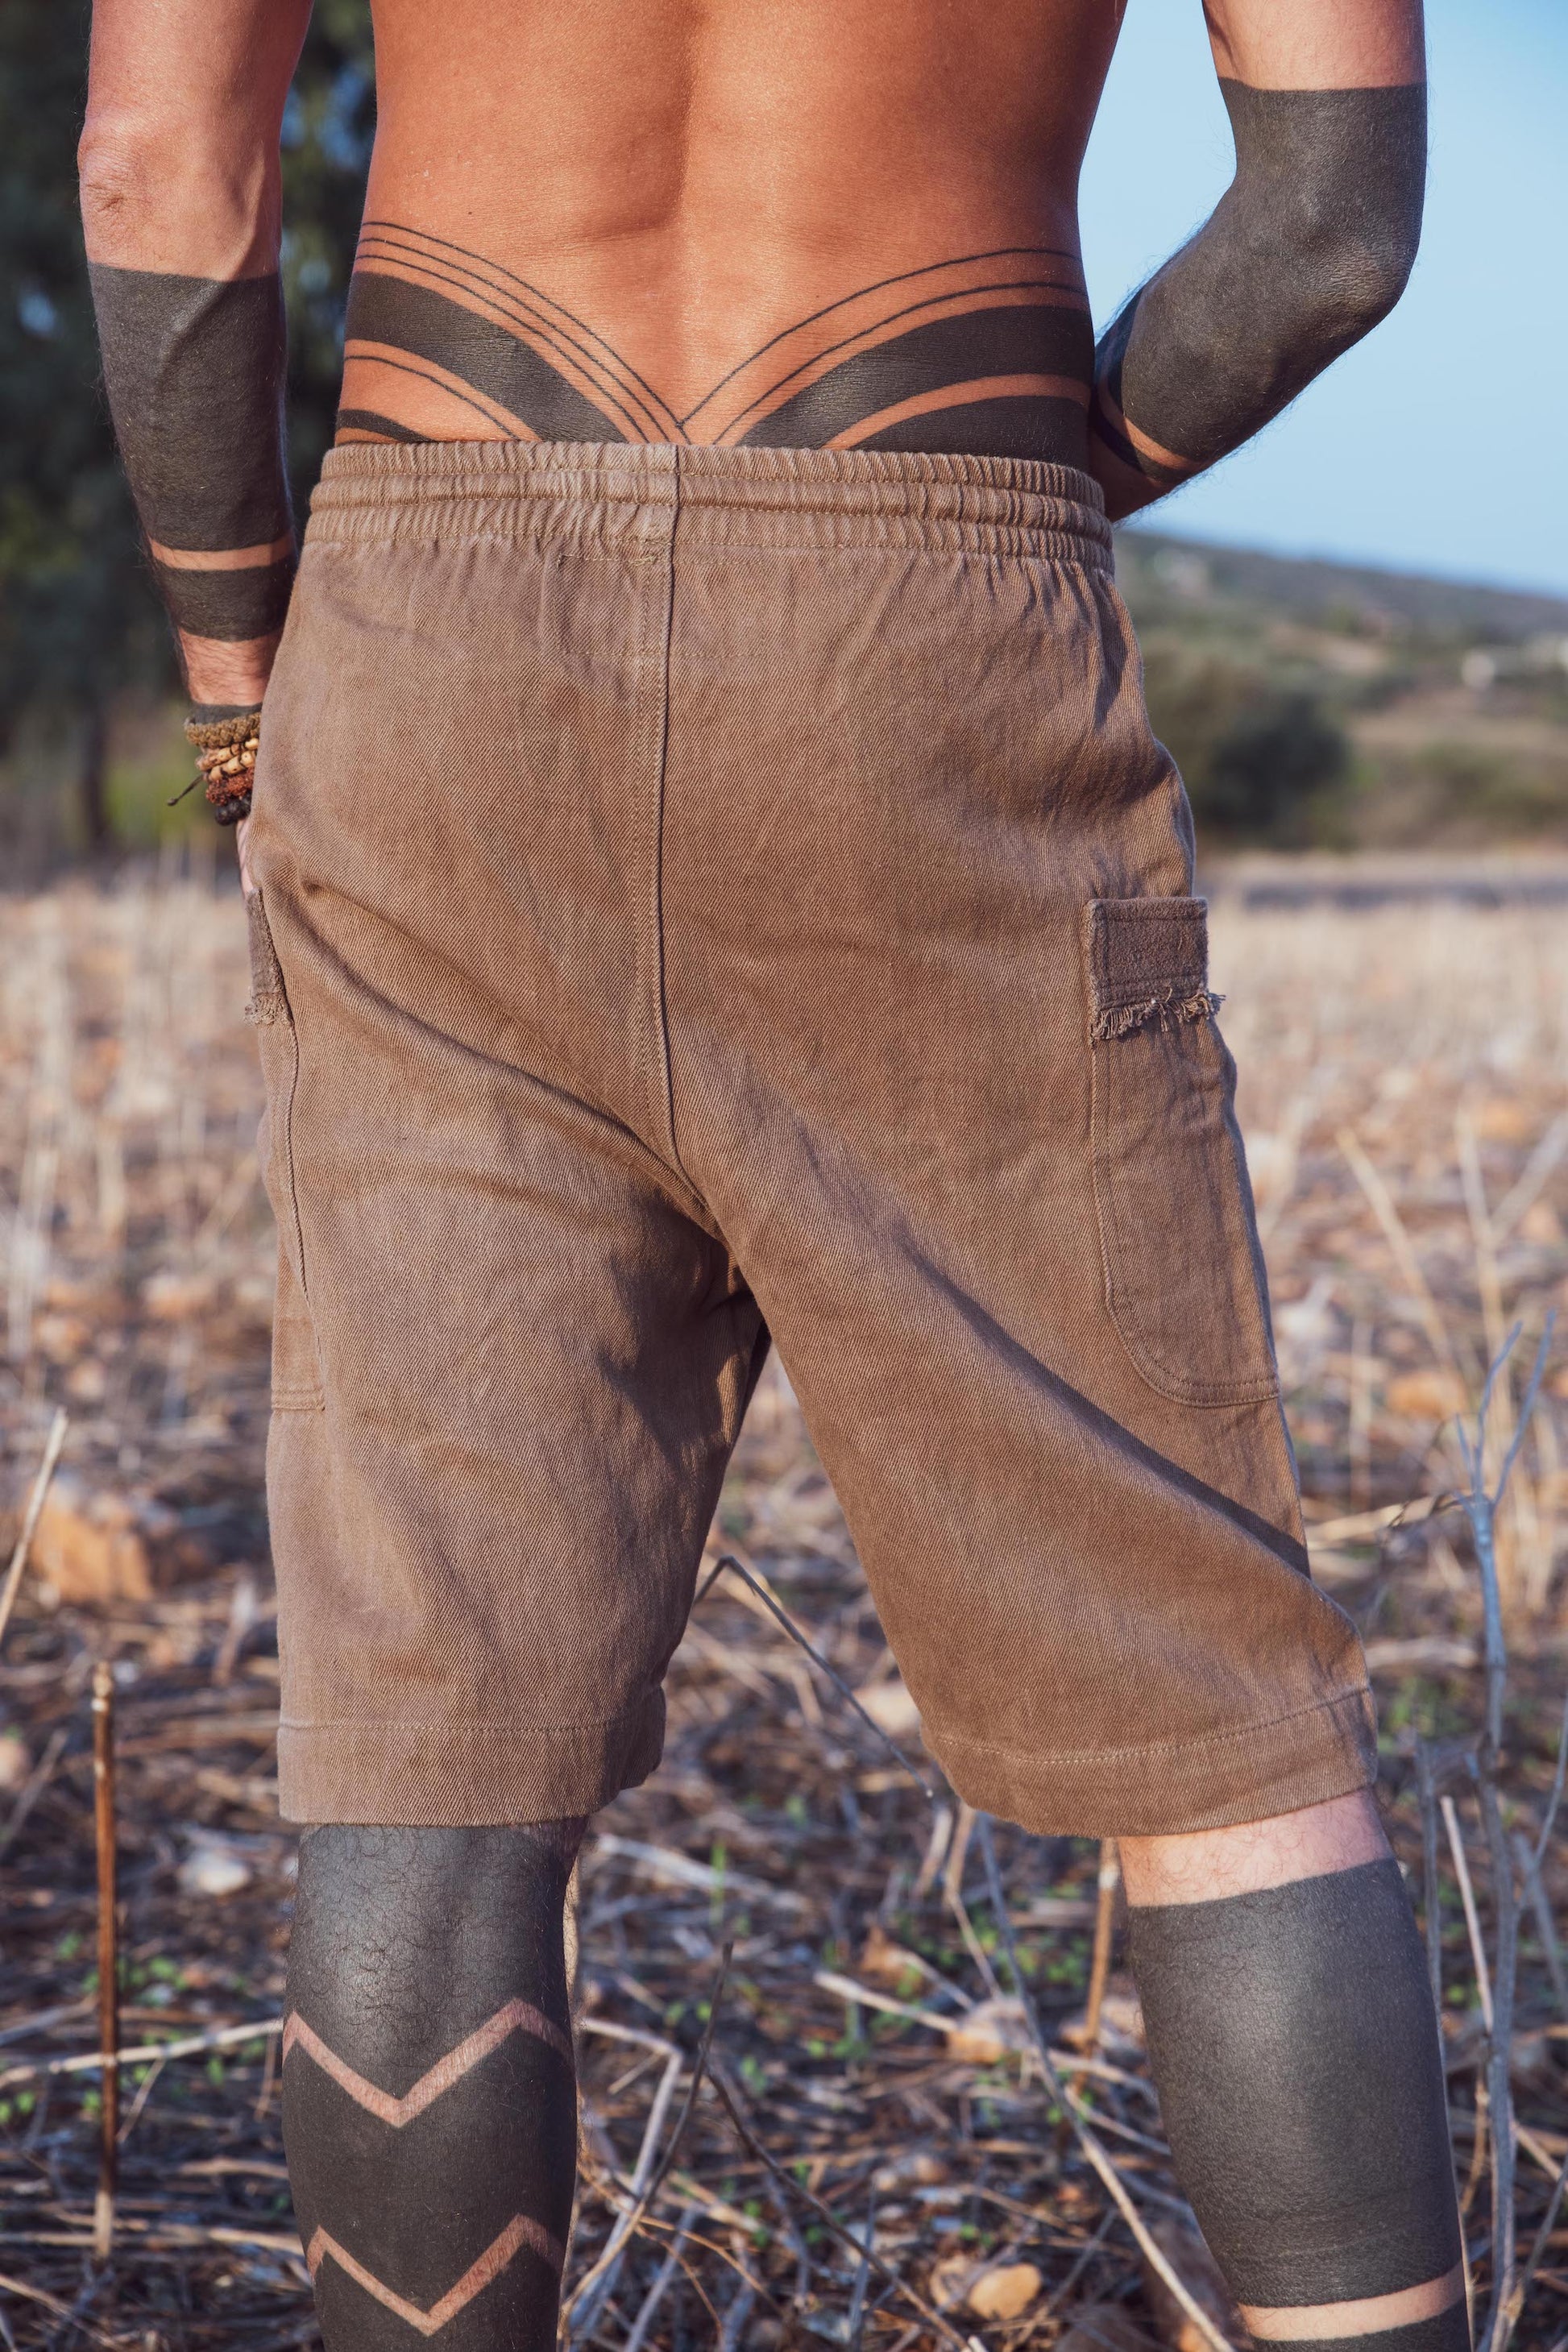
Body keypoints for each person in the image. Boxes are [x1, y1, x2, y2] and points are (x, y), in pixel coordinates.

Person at [80, 1, 1461, 2346]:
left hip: (434, 615)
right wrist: (989, 499)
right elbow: (1324, 229)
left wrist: (244, 694)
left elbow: (153, 172)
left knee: (431, 1724)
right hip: (921, 578)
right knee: (1201, 1702)